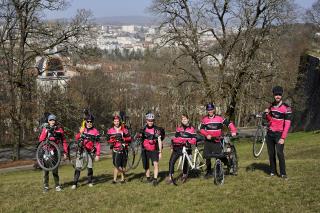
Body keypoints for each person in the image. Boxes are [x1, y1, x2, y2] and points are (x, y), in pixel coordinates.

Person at [199, 103, 237, 178]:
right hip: (208, 140)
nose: (210, 111)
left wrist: (233, 131)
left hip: (217, 140)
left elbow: (229, 123)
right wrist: (207, 135)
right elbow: (201, 129)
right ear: (207, 110)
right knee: (207, 156)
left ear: (214, 110)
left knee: (220, 156)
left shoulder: (219, 118)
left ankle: (228, 165)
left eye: (211, 109)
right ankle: (209, 171)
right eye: (208, 110)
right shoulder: (204, 119)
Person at [263, 86, 292, 179]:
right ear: (273, 95)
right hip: (270, 133)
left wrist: (283, 138)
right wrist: (267, 114)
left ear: (282, 95)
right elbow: (270, 120)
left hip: (279, 134)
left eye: (279, 94)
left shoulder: (286, 108)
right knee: (271, 154)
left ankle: (283, 173)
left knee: (279, 153)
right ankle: (273, 171)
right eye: (276, 94)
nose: (277, 96)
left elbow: (287, 124)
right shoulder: (271, 106)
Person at [38, 114, 68, 192]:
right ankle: (46, 187)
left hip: (55, 151)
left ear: (55, 121)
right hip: (46, 151)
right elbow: (41, 140)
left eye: (53, 120)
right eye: (51, 120)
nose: (52, 122)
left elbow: (64, 141)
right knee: (46, 170)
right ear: (48, 121)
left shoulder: (59, 130)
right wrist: (47, 135)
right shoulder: (45, 129)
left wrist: (65, 152)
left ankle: (57, 185)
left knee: (55, 170)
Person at [71, 114, 101, 189]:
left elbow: (98, 144)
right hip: (81, 151)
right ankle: (75, 183)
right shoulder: (82, 129)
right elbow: (76, 138)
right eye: (88, 121)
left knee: (90, 167)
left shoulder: (95, 131)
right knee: (78, 167)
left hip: (89, 152)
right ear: (86, 122)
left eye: (91, 122)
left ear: (93, 122)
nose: (89, 123)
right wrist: (80, 133)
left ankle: (90, 181)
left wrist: (98, 154)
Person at [167, 114, 196, 184]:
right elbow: (175, 138)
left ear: (188, 119)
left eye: (185, 119)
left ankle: (184, 175)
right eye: (182, 119)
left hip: (187, 147)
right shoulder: (178, 128)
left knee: (185, 162)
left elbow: (194, 139)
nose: (184, 120)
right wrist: (172, 145)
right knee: (171, 161)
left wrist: (188, 142)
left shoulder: (192, 129)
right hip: (178, 147)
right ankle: (170, 177)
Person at [138, 112, 163, 186]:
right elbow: (139, 138)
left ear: (153, 121)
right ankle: (148, 178)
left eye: (152, 120)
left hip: (154, 149)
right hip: (145, 149)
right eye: (149, 120)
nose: (150, 122)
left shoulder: (157, 129)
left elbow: (159, 141)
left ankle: (155, 180)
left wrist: (160, 152)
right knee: (146, 165)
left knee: (156, 164)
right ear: (146, 120)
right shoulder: (143, 128)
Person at [106, 115, 132, 184]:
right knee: (116, 164)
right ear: (113, 122)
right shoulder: (110, 130)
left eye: (117, 121)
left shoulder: (124, 129)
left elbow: (129, 138)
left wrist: (123, 139)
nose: (116, 122)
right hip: (115, 149)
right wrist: (114, 139)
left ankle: (122, 179)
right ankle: (114, 179)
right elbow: (108, 140)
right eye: (115, 121)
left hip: (124, 149)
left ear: (119, 121)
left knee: (123, 164)